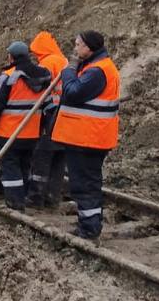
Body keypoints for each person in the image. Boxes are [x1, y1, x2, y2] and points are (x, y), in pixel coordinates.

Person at [51, 31, 120, 240]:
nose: (75, 48)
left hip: (89, 138)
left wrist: (69, 71)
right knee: (83, 182)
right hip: (85, 137)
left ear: (89, 47)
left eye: (78, 44)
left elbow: (73, 93)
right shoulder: (93, 67)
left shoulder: (97, 71)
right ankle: (87, 223)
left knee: (85, 184)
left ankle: (89, 229)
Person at [0, 42, 52, 211]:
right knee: (25, 165)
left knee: (11, 166)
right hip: (32, 132)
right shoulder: (44, 76)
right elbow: (48, 106)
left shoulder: (9, 76)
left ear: (12, 57)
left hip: (9, 132)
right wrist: (43, 127)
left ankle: (15, 202)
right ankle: (23, 195)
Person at [29, 31, 69, 207]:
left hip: (50, 115)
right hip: (67, 115)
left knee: (42, 155)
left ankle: (36, 196)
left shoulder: (47, 63)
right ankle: (53, 196)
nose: (35, 56)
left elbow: (37, 85)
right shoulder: (65, 61)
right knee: (59, 157)